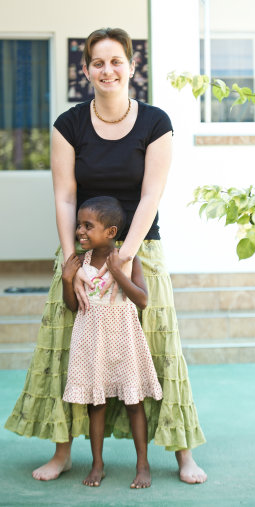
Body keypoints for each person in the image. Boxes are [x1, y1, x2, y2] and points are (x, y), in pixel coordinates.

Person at [5, 27, 207, 484]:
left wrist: (123, 261)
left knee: (160, 349)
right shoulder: (69, 124)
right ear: (86, 70)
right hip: (83, 251)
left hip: (141, 249)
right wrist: (71, 263)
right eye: (98, 62)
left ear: (132, 67)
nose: (107, 70)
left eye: (116, 61)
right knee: (67, 350)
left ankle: (182, 454)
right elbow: (63, 196)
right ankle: (63, 452)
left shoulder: (156, 123)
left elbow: (152, 193)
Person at [62, 196, 162, 488]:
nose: (80, 230)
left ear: (111, 232)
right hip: (92, 342)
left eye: (87, 225)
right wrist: (69, 280)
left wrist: (118, 272)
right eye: (79, 224)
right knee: (97, 403)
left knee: (134, 403)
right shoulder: (81, 262)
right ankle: (97, 465)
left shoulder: (128, 260)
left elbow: (143, 300)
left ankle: (143, 465)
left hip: (124, 339)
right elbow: (72, 306)